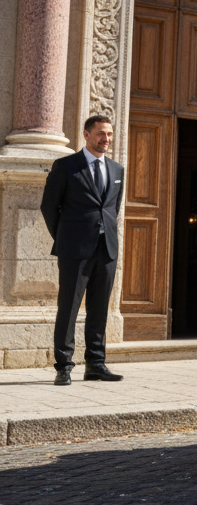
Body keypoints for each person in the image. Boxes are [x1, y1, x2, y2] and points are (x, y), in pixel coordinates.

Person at [40, 115, 126, 386]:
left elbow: (112, 209)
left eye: (109, 134)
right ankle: (64, 366)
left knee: (99, 309)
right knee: (69, 308)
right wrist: (65, 237)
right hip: (74, 249)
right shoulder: (66, 166)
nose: (106, 139)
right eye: (101, 133)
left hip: (106, 249)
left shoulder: (117, 170)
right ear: (86, 135)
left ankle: (96, 364)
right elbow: (48, 207)